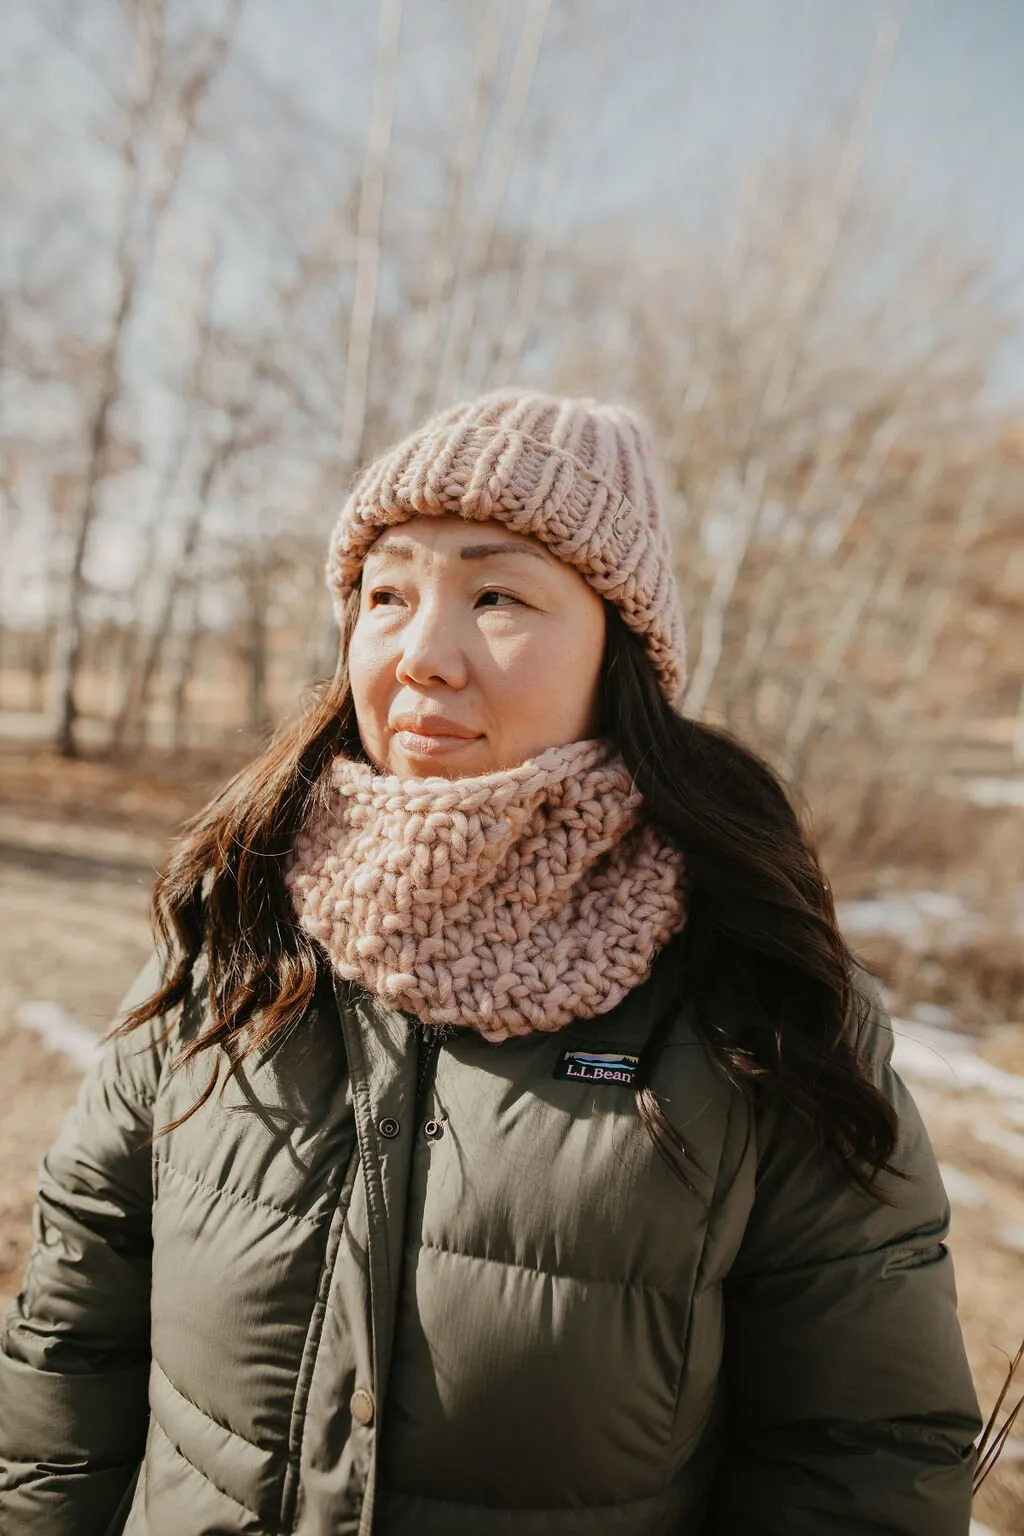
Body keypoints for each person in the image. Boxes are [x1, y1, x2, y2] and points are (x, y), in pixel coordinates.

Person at [0, 390, 981, 1535]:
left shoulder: (760, 998)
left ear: (622, 646)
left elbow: (862, 1456)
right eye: (387, 594)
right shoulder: (240, 930)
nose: (423, 655)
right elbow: (74, 1335)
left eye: (497, 594)